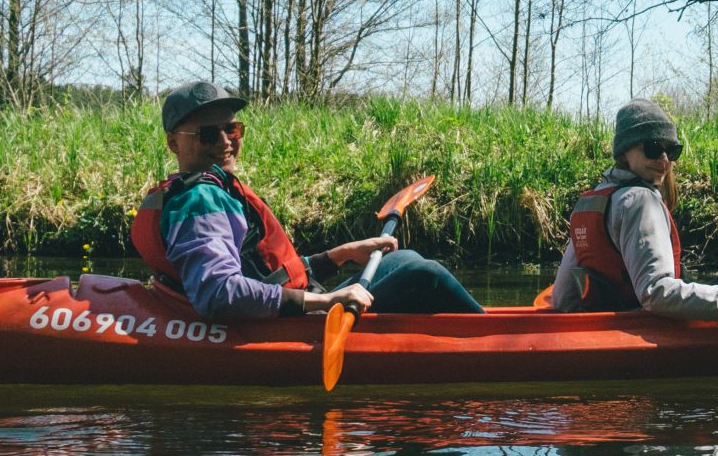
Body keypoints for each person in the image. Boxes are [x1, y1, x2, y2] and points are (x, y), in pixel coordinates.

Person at [129, 81, 484, 321]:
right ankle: (500, 337)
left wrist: (339, 255)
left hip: (292, 308)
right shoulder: (200, 201)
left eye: (232, 130)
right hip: (283, 324)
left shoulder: (212, 190)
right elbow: (218, 292)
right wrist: (326, 300)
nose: (225, 141)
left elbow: (266, 274)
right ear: (174, 143)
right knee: (426, 275)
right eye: (209, 134)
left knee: (405, 258)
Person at [549, 99, 718, 321]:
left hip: (629, 311)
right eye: (653, 148)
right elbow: (656, 292)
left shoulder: (596, 201)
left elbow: (562, 297)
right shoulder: (640, 201)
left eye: (671, 150)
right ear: (624, 153)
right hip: (653, 320)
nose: (664, 159)